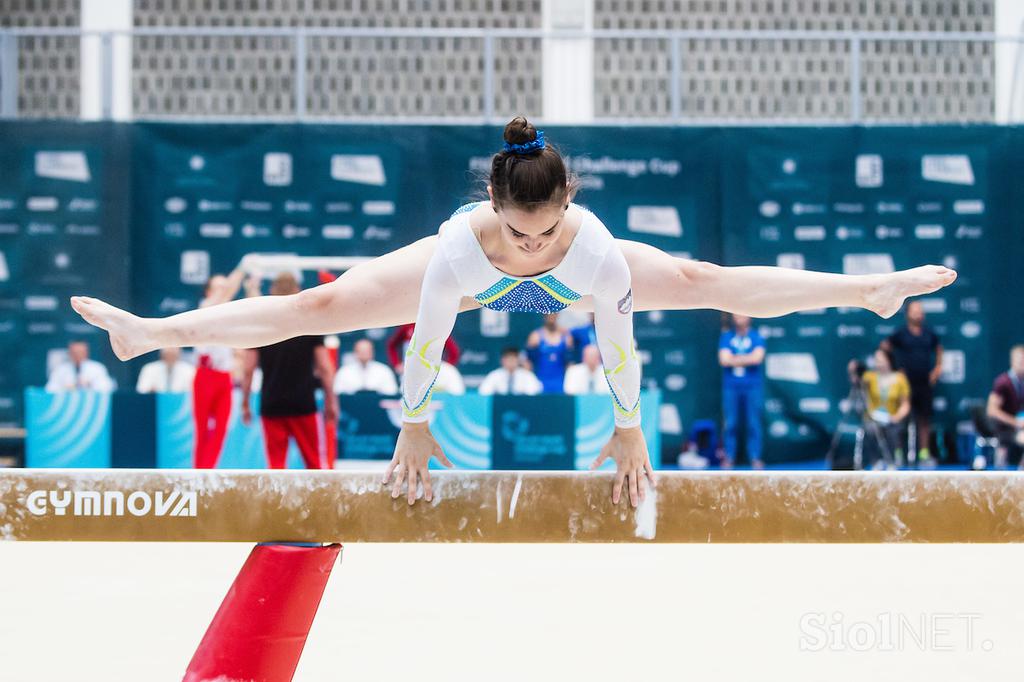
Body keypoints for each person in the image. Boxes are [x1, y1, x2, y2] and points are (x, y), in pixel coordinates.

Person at [70, 116, 958, 507]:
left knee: (699, 277)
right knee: (319, 302)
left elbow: (622, 345)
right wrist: (412, 426)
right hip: (458, 278)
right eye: (519, 232)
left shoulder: (595, 246)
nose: (532, 246)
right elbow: (426, 340)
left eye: (545, 232)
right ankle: (149, 334)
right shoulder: (464, 243)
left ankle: (863, 288)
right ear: (494, 207)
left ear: (566, 201)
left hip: (589, 290)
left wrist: (628, 427)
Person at [240, 273, 339, 470]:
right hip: (303, 404)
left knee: (276, 471)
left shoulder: (261, 326)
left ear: (272, 292)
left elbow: (248, 369)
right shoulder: (310, 323)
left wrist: (245, 403)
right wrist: (331, 401)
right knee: (316, 467)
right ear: (298, 291)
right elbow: (325, 368)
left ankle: (277, 502)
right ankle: (319, 502)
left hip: (272, 405)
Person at [191, 266, 247, 469]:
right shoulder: (205, 306)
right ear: (208, 292)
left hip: (225, 377)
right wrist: (242, 268)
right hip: (205, 376)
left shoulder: (230, 314)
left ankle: (209, 470)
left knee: (221, 429)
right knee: (203, 429)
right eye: (218, 287)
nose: (223, 290)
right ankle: (199, 472)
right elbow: (228, 292)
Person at [881, 300, 943, 465]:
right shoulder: (900, 334)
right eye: (915, 311)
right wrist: (895, 370)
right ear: (908, 314)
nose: (919, 314)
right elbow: (884, 347)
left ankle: (923, 454)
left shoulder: (929, 333)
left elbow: (939, 349)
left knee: (924, 420)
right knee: (901, 420)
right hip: (904, 384)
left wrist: (937, 369)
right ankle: (899, 454)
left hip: (924, 383)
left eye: (921, 311)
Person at [718, 314, 766, 468]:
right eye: (736, 313)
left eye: (742, 313)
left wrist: (734, 358)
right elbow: (723, 359)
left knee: (754, 422)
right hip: (731, 386)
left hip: (752, 386)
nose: (739, 316)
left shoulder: (756, 336)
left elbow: (757, 358)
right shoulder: (727, 337)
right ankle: (729, 457)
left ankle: (755, 457)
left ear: (750, 316)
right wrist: (747, 358)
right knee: (730, 422)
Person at [861, 348, 911, 469]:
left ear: (889, 360)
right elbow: (857, 378)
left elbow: (906, 404)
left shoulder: (900, 378)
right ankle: (876, 462)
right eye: (876, 360)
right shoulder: (869, 377)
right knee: (871, 428)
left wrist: (897, 417)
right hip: (874, 418)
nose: (878, 363)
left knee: (892, 429)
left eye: (881, 360)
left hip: (892, 418)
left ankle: (892, 462)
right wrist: (854, 370)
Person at [986, 345, 1024, 467]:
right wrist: (1015, 422)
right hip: (1002, 428)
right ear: (1013, 361)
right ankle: (1000, 471)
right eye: (1021, 361)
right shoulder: (1003, 382)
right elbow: (991, 411)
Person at [526, 313, 574, 393]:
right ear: (544, 316)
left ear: (557, 315)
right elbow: (527, 362)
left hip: (560, 381)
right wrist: (531, 382)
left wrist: (569, 382)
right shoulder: (535, 336)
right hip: (540, 381)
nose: (551, 317)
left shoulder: (566, 336)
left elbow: (569, 363)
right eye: (549, 315)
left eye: (554, 314)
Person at [386, 322, 460, 374]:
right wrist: (397, 364)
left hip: (430, 373)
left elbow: (454, 352)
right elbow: (392, 345)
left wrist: (443, 370)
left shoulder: (436, 327)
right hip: (409, 372)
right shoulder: (408, 325)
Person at [333, 338, 399, 394]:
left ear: (372, 352)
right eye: (361, 351)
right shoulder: (344, 371)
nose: (364, 353)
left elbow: (392, 392)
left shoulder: (384, 370)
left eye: (367, 351)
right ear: (355, 352)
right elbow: (337, 392)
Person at [45, 340, 115, 392]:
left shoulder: (97, 368)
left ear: (86, 353)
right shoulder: (60, 369)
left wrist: (89, 384)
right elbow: (49, 389)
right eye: (74, 353)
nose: (77, 355)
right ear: (69, 353)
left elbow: (108, 387)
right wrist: (65, 388)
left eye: (80, 352)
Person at [478, 347, 544, 396]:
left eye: (513, 358)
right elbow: (483, 392)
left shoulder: (527, 375)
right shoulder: (495, 375)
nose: (511, 361)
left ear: (518, 360)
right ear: (502, 360)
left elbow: (534, 393)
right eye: (508, 358)